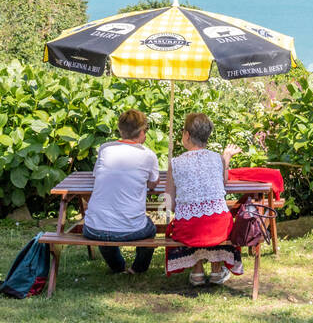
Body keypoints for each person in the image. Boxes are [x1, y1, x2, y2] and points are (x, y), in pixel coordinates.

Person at [164, 112, 243, 286]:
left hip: (188, 228)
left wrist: (183, 209)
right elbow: (222, 183)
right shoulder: (217, 158)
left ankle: (197, 271)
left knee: (191, 220)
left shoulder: (175, 162)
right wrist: (226, 159)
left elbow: (168, 200)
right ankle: (216, 270)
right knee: (215, 218)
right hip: (218, 225)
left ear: (187, 135)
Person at [82, 109, 160, 274]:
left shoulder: (105, 149)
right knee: (151, 229)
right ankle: (138, 268)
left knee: (106, 228)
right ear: (142, 132)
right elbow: (153, 185)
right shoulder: (148, 155)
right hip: (131, 229)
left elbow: (97, 175)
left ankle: (117, 266)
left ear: (120, 129)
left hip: (93, 228)